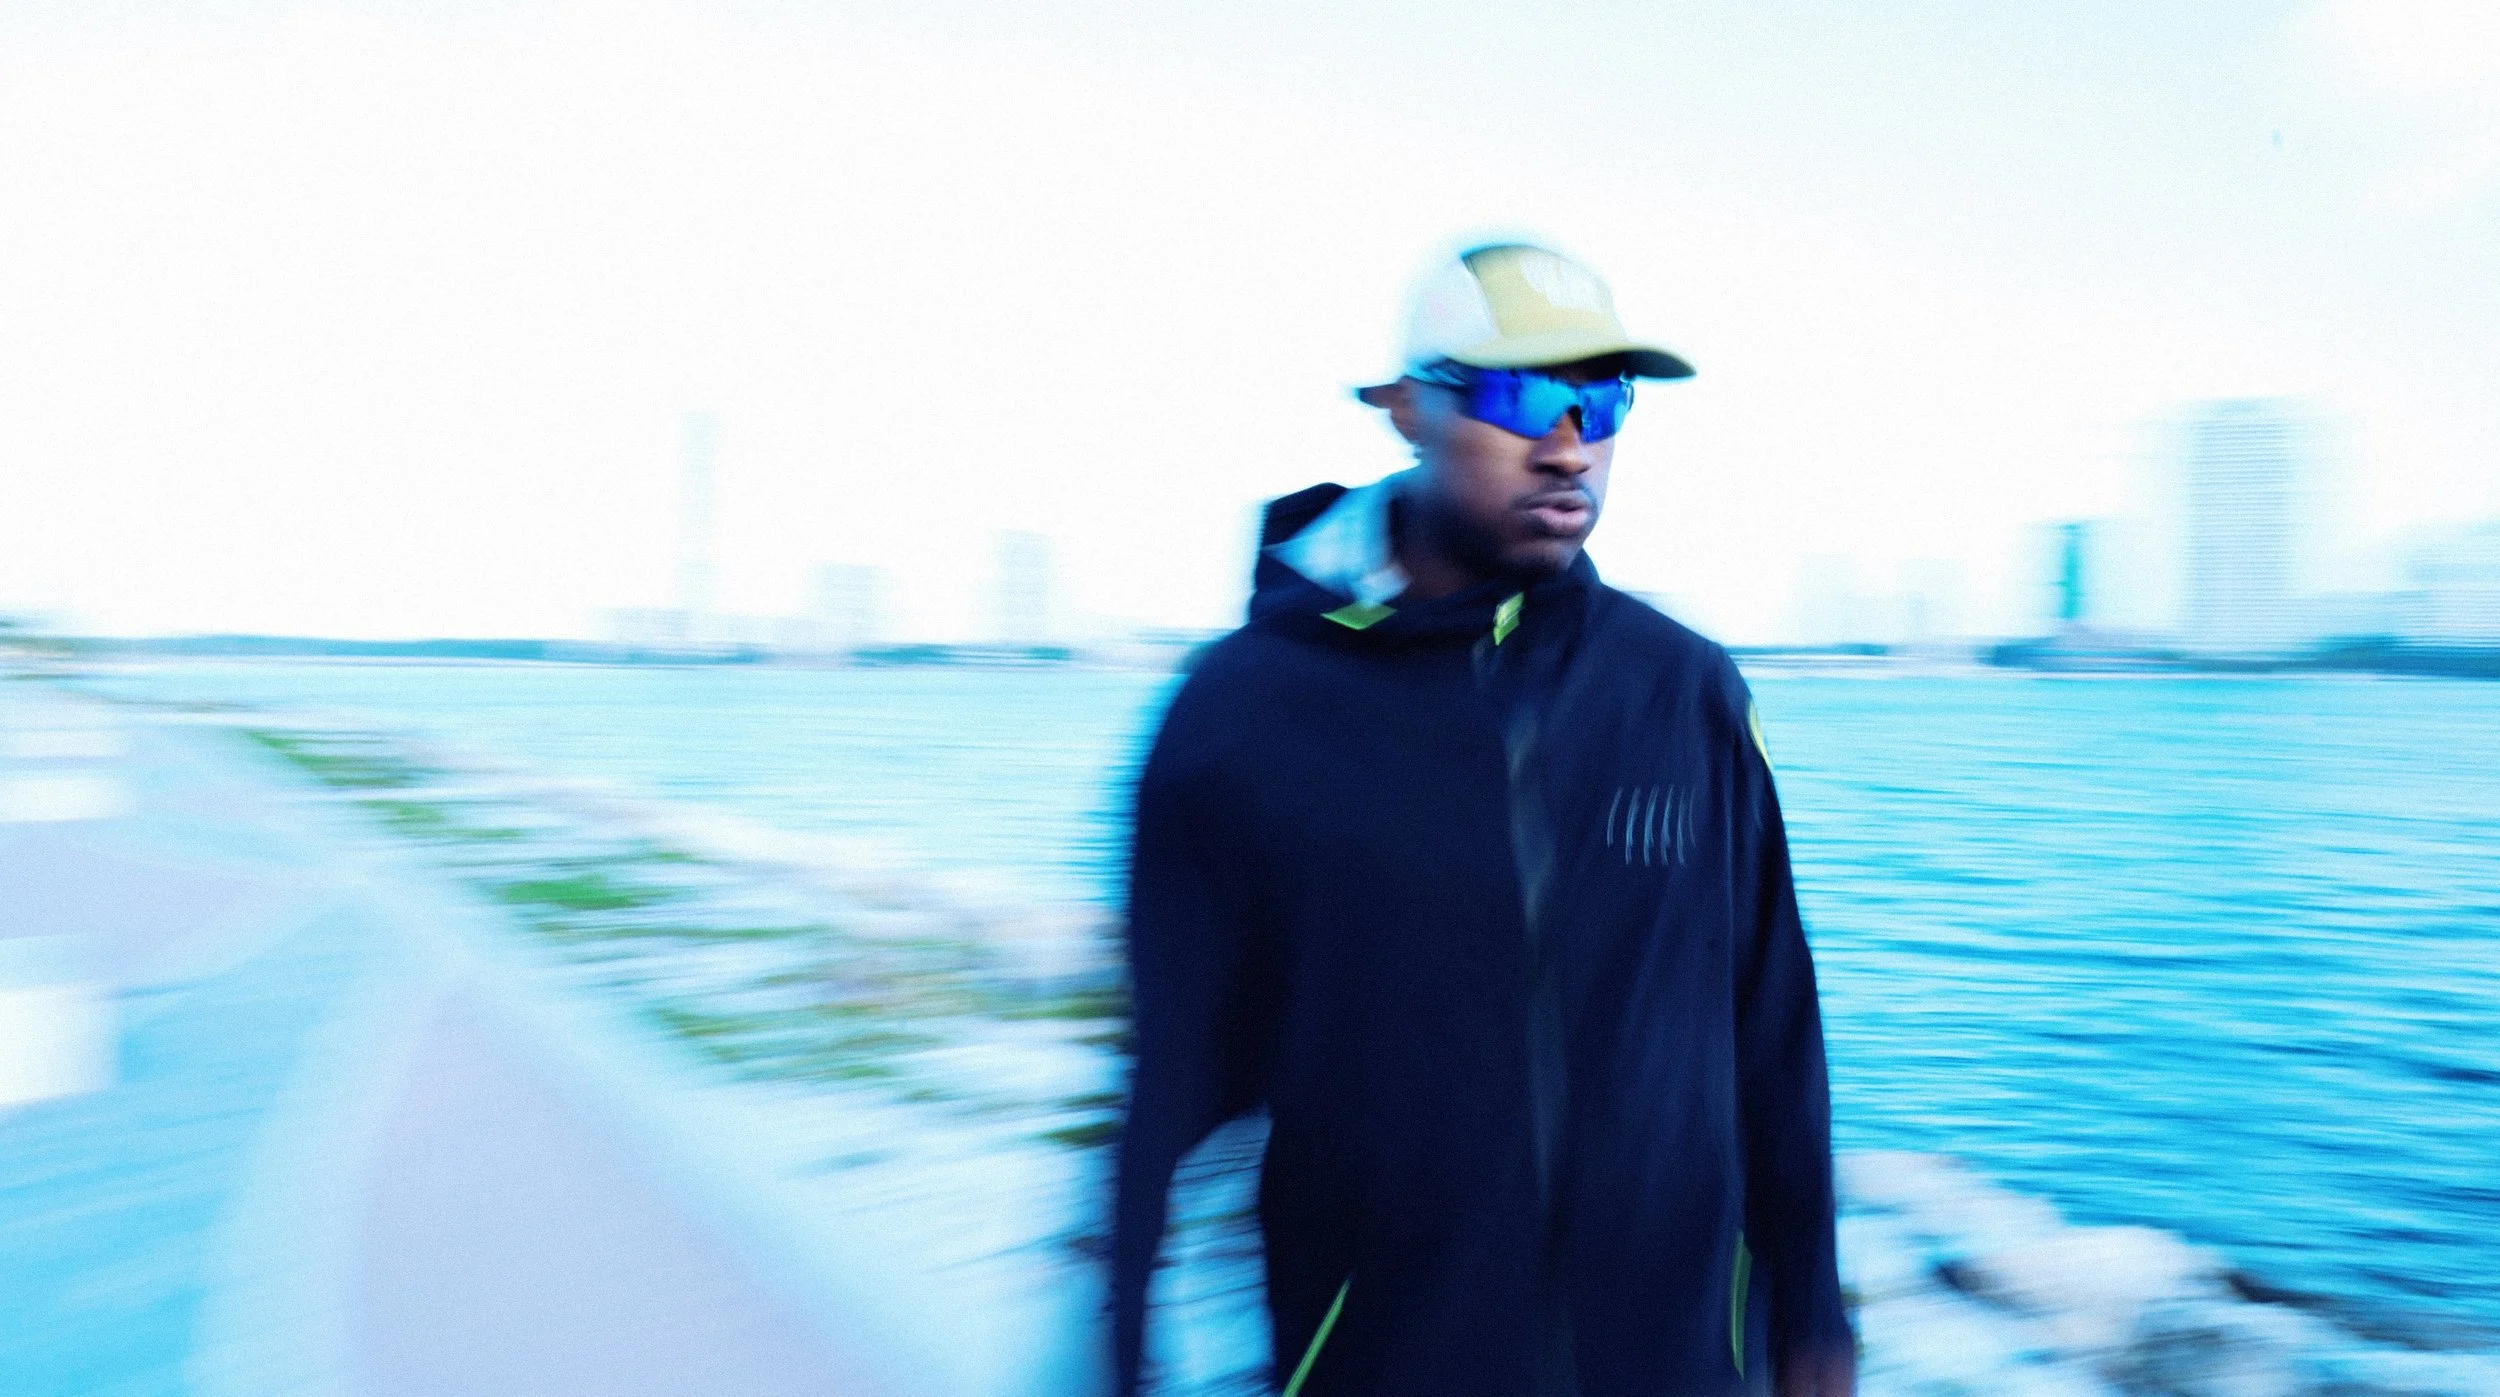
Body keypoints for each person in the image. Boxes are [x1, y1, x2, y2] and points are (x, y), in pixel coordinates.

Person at [1110, 242, 1855, 1397]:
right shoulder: (1243, 712)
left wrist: (1811, 1310)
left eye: (1602, 400)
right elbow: (1171, 1074)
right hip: (1385, 1363)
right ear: (1409, 408)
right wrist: (1120, 1344)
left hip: (1674, 1362)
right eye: (1522, 395)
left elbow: (1771, 1026)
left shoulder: (1680, 690)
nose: (1568, 443)